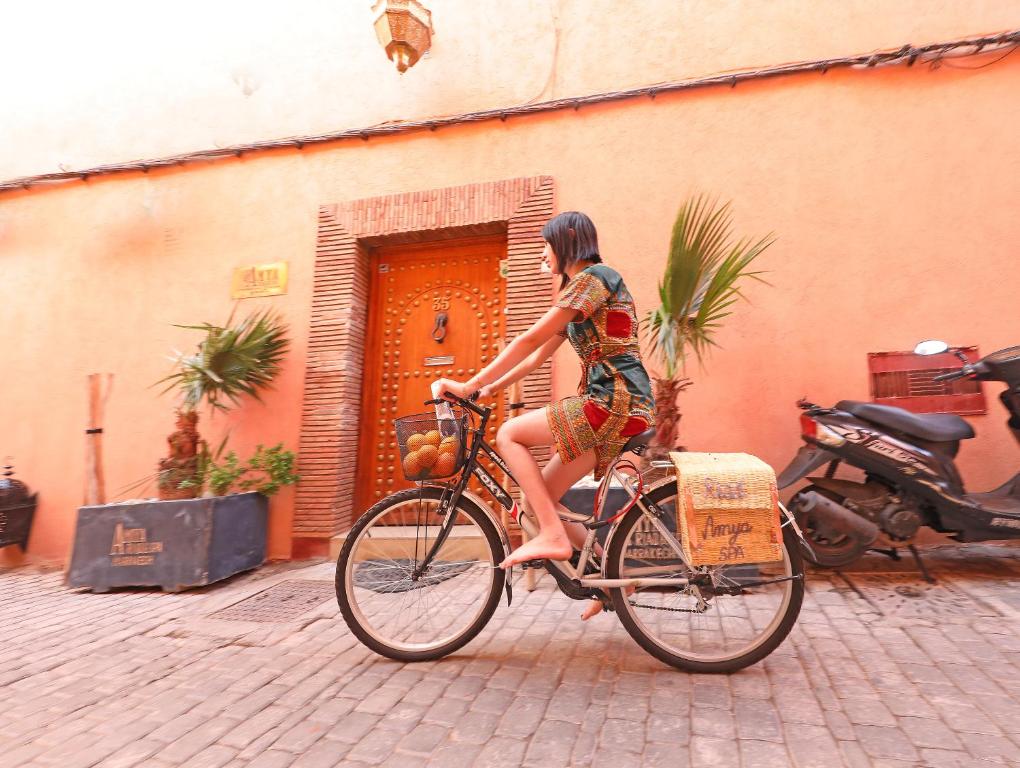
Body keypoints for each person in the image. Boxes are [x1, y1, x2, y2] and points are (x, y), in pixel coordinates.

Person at [434, 211, 655, 618]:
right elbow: (535, 357)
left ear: (568, 238)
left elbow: (528, 338)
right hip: (622, 404)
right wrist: (485, 389)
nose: (542, 253)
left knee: (509, 434)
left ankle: (553, 535)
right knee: (541, 501)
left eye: (545, 244)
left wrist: (466, 385)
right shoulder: (582, 294)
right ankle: (614, 580)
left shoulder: (595, 278)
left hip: (613, 399)